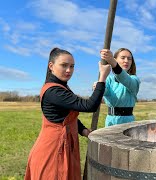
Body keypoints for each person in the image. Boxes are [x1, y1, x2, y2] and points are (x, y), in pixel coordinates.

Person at [24, 47, 111, 180]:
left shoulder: (62, 87)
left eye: (72, 66)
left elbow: (68, 116)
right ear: (51, 66)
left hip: (65, 145)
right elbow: (90, 106)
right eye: (64, 65)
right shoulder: (53, 91)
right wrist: (102, 78)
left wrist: (83, 131)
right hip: (54, 149)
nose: (69, 70)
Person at [96, 48, 140, 126]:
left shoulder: (134, 80)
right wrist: (98, 86)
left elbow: (125, 79)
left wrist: (112, 62)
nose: (126, 61)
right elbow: (104, 91)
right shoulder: (109, 79)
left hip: (128, 122)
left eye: (129, 59)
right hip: (110, 122)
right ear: (116, 59)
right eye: (123, 58)